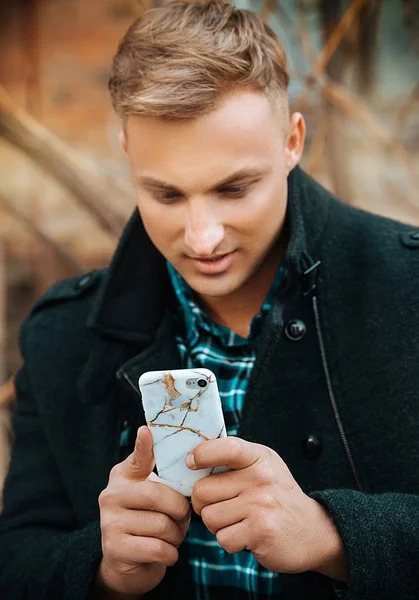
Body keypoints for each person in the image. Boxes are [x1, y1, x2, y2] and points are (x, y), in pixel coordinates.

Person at [1, 0, 419, 598]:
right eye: (166, 194)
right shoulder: (61, 335)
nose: (203, 238)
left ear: (292, 141)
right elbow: (15, 560)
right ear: (126, 148)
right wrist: (100, 568)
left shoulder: (409, 291)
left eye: (234, 189)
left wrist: (333, 537)